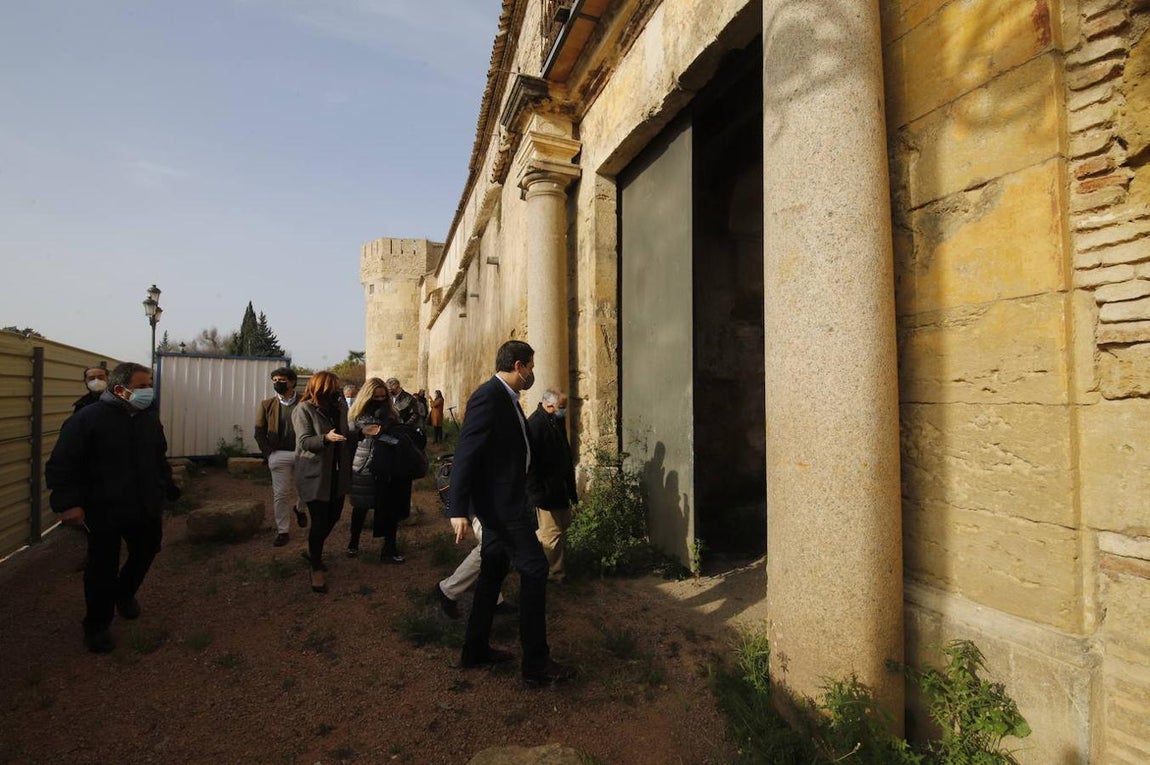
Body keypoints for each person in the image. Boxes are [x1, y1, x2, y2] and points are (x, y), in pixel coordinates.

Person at [448, 340, 575, 687]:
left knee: (492, 571)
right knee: (535, 570)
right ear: (519, 366)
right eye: (531, 366)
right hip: (503, 509)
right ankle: (536, 664)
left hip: (508, 502)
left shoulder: (508, 398)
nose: (533, 372)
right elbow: (466, 453)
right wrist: (457, 509)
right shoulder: (489, 397)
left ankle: (474, 650)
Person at [45, 361, 179, 653]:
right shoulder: (87, 419)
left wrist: (167, 485)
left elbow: (158, 457)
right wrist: (68, 504)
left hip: (143, 504)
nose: (148, 392)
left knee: (148, 548)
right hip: (103, 508)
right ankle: (96, 626)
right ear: (120, 389)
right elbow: (62, 464)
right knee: (102, 567)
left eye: (149, 385)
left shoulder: (147, 418)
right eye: (141, 387)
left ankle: (124, 593)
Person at [293, 371, 352, 594]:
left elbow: (345, 435)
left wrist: (362, 433)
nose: (337, 392)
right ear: (320, 388)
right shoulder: (304, 409)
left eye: (338, 388)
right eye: (333, 388)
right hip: (315, 474)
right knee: (319, 522)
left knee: (335, 515)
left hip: (337, 473)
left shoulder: (340, 408)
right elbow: (304, 441)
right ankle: (315, 566)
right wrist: (325, 439)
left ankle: (312, 549)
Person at [346, 378, 414, 562]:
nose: (380, 400)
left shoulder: (392, 414)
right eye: (376, 397)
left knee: (389, 508)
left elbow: (396, 433)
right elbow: (354, 434)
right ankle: (353, 543)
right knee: (360, 507)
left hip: (388, 466)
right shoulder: (357, 414)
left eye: (384, 396)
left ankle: (389, 548)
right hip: (364, 465)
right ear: (367, 397)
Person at [527, 389, 579, 583]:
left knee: (562, 525)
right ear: (549, 405)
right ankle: (555, 574)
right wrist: (537, 494)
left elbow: (564, 453)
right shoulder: (535, 425)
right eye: (561, 407)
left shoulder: (555, 421)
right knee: (552, 534)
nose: (563, 412)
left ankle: (526, 550)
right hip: (546, 491)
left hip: (559, 489)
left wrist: (571, 490)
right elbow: (530, 464)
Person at [254, 366, 304, 547]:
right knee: (281, 495)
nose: (277, 383)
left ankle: (299, 509)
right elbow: (259, 432)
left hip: (302, 454)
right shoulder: (266, 405)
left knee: (306, 490)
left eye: (281, 380)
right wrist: (269, 454)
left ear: (292, 382)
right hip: (278, 455)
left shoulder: (305, 401)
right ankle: (283, 531)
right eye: (274, 380)